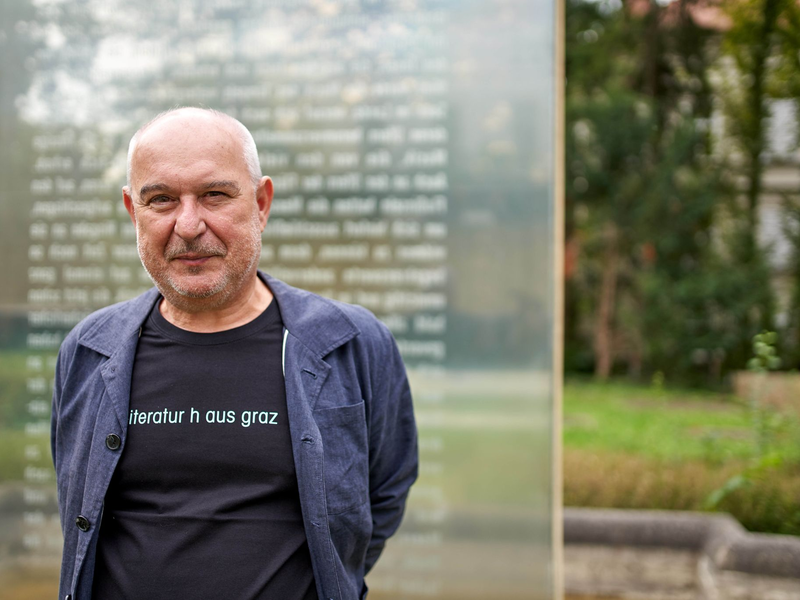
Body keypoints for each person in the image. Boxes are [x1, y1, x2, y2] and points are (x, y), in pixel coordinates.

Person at [50, 107, 418, 600]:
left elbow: (384, 493)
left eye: (215, 195)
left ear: (261, 203)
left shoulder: (350, 343)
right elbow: (79, 510)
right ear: (133, 212)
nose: (188, 225)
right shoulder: (89, 351)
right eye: (161, 200)